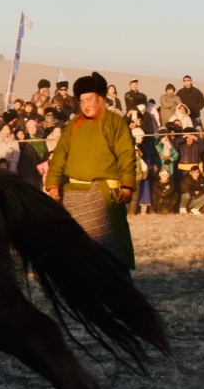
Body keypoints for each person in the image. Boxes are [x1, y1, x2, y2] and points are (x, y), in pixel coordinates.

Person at [43, 71, 137, 273]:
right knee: (79, 251)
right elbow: (60, 155)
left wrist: (127, 185)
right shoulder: (73, 125)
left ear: (101, 99)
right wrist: (53, 184)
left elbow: (127, 155)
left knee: (112, 252)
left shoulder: (115, 122)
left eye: (89, 99)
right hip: (74, 194)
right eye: (82, 100)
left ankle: (122, 292)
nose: (85, 104)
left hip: (105, 195)